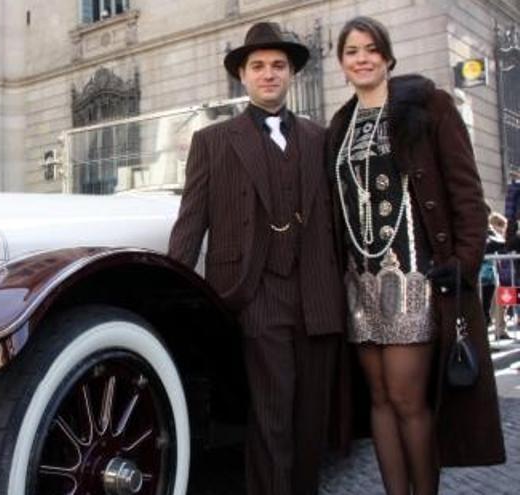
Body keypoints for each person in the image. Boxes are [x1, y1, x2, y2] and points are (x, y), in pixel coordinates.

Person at [327, 16, 505, 495]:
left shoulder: (428, 107)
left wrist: (464, 262)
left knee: (408, 399)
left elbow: (467, 192)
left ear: (386, 56)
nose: (362, 58)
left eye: (371, 49)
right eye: (351, 52)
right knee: (380, 401)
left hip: (413, 279)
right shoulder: (339, 126)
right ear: (342, 63)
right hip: (358, 284)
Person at [168, 22, 345, 495]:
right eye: (259, 66)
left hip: (317, 295)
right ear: (242, 76)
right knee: (270, 419)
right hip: (253, 293)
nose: (269, 74)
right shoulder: (213, 141)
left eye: (278, 66)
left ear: (291, 75)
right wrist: (176, 297)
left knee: (312, 421)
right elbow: (191, 222)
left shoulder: (319, 138)